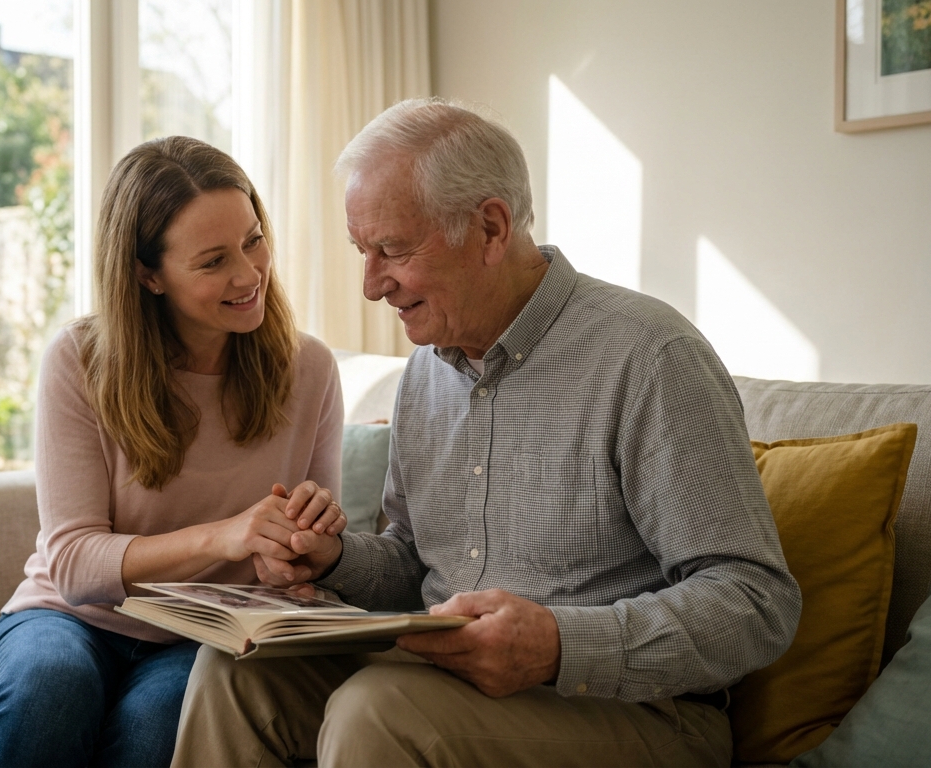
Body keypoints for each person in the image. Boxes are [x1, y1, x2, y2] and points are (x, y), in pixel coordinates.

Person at [172, 99, 803, 767]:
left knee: (379, 711)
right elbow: (416, 562)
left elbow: (755, 603)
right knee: (234, 672)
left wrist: (560, 643)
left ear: (491, 227)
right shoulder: (426, 372)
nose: (370, 285)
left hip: (637, 713)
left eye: (391, 250)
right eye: (363, 252)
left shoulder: (649, 356)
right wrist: (330, 560)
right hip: (445, 683)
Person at [0, 136, 348, 768]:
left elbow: (308, 558)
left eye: (254, 240)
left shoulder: (308, 369)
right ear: (148, 274)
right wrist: (227, 537)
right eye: (212, 261)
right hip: (69, 618)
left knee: (157, 724)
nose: (249, 273)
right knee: (50, 689)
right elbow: (72, 562)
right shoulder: (81, 361)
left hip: (205, 634)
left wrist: (299, 556)